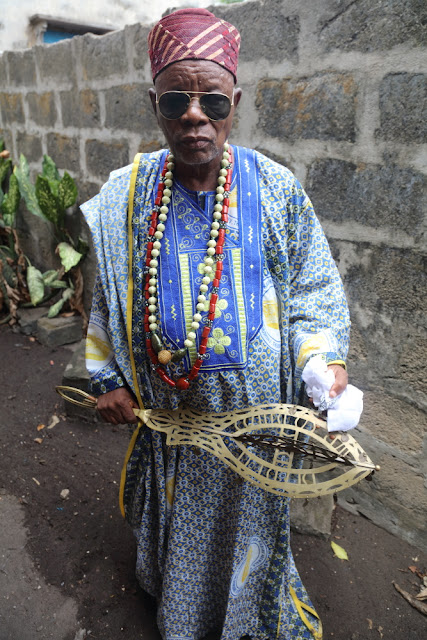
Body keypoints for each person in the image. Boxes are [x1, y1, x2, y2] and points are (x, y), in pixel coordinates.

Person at [81, 8, 350, 640]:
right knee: (178, 544)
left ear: (236, 102)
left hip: (252, 437)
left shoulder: (278, 189)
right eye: (176, 98)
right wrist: (105, 378)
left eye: (213, 99)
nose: (194, 114)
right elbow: (111, 296)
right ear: (155, 105)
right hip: (172, 433)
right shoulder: (130, 193)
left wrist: (321, 362)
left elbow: (314, 288)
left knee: (247, 545)